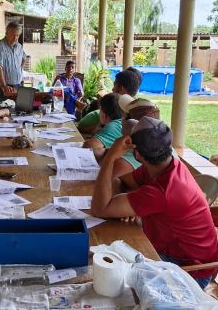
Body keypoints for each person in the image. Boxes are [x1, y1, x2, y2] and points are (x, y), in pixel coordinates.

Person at [91, 117, 218, 288]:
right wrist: (132, 204)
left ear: (137, 153)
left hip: (189, 271)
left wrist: (110, 157)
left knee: (105, 264)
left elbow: (99, 208)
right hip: (182, 255)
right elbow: (119, 182)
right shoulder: (168, 165)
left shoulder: (163, 190)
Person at [78, 68, 141, 135]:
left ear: (121, 89)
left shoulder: (118, 116)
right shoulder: (139, 111)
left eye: (114, 85)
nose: (112, 89)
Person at [0, 22, 26, 102]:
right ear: (6, 33)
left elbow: (24, 58)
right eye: (13, 35)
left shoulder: (19, 47)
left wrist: (18, 70)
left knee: (19, 111)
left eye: (17, 35)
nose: (15, 38)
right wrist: (3, 85)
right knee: (6, 110)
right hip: (4, 86)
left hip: (17, 85)